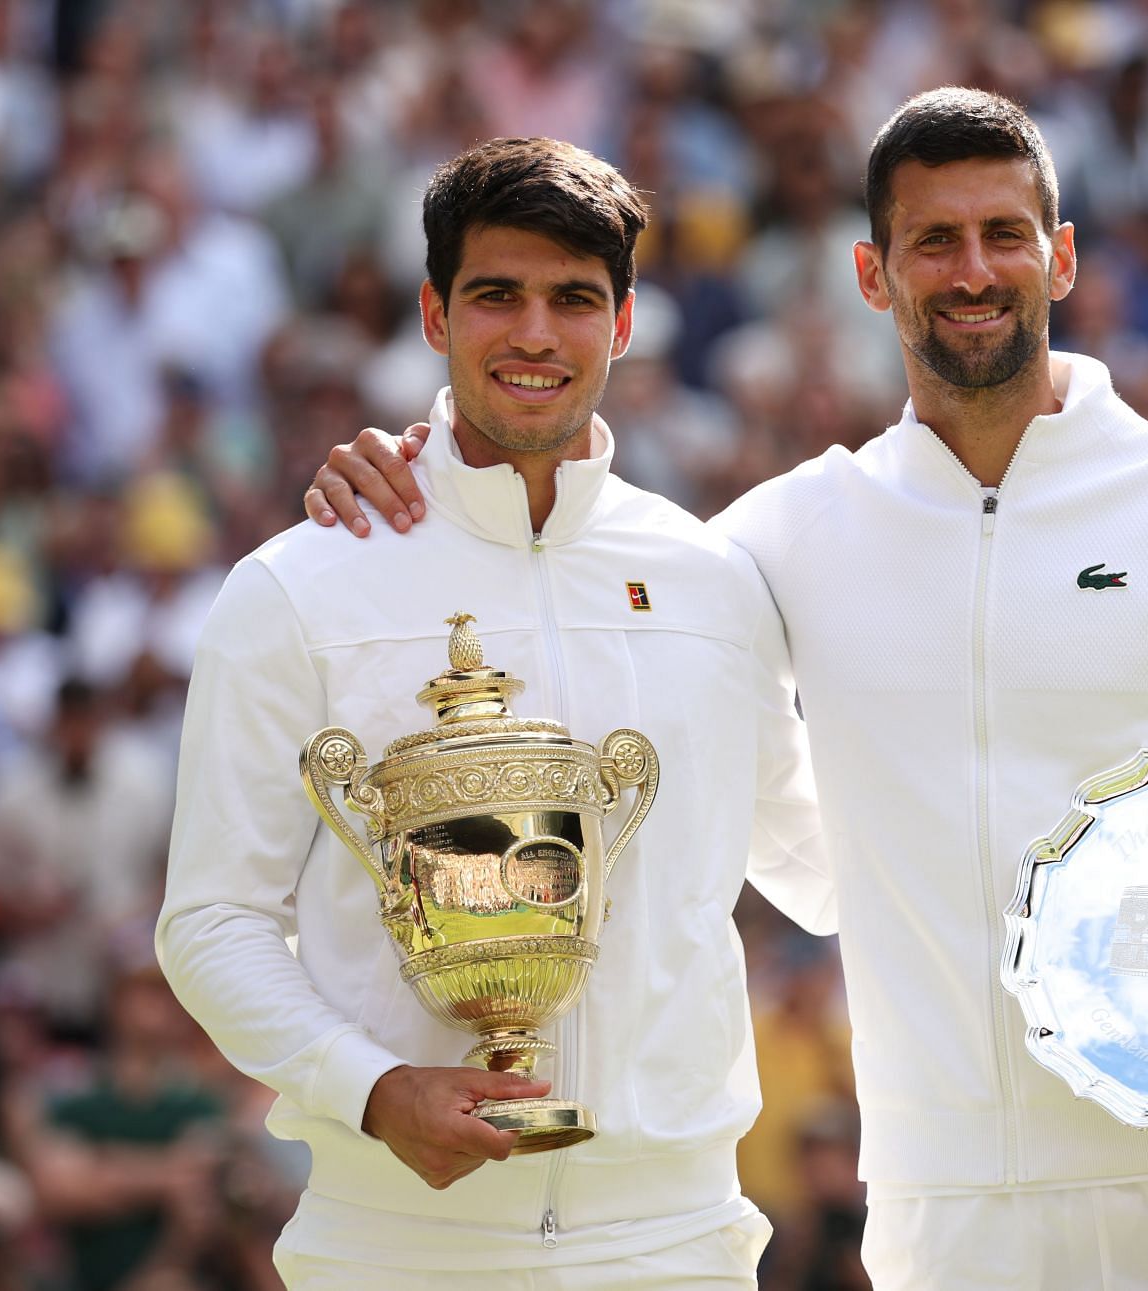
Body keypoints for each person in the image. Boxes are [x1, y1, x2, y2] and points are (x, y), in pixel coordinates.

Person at [309, 90, 1148, 1288]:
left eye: (1005, 233)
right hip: (944, 1209)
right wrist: (423, 481)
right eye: (934, 241)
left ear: (1060, 256)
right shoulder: (781, 535)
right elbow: (570, 570)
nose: (973, 270)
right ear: (872, 272)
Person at [157, 136, 831, 1288]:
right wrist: (368, 1087)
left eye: (574, 299)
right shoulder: (299, 585)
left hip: (675, 1240)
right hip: (396, 1240)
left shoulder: (712, 582)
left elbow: (824, 867)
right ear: (433, 313)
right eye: (496, 296)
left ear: (623, 324)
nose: (534, 335)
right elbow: (211, 920)